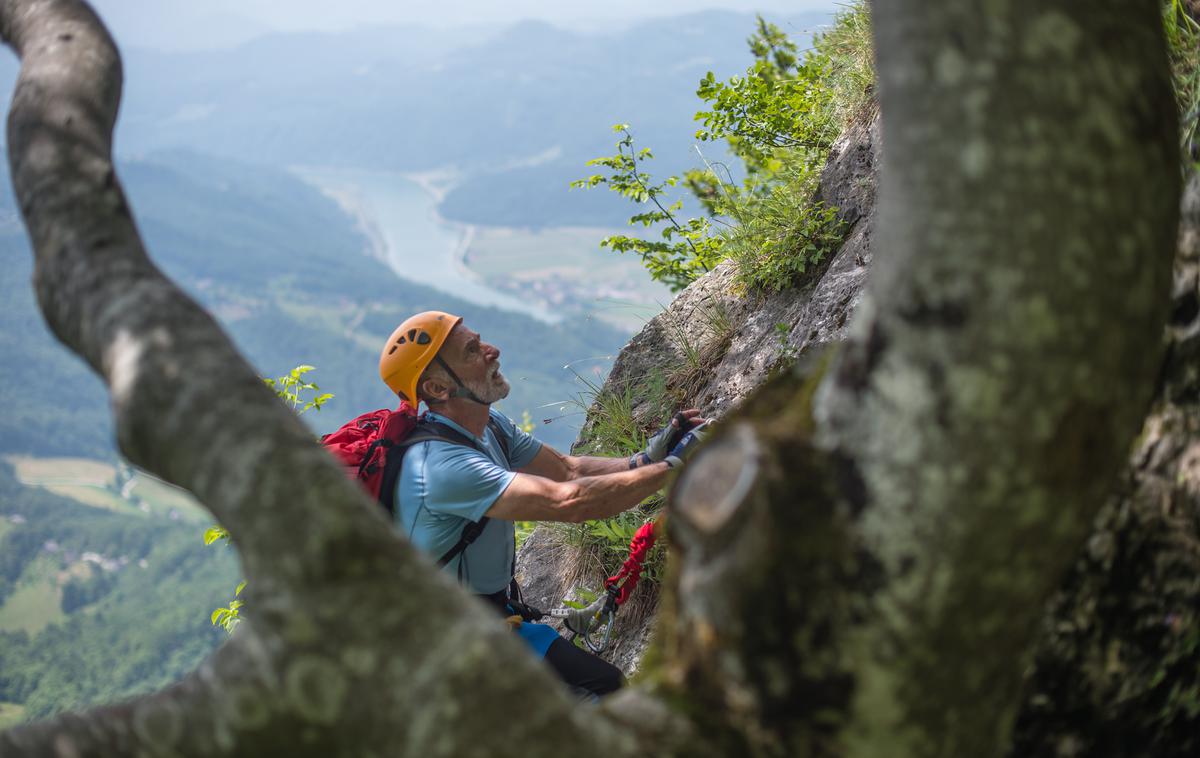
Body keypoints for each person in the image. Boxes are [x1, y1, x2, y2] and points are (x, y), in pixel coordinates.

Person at [378, 310, 708, 698]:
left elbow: (568, 470)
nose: (491, 350)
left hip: (488, 619)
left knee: (605, 688)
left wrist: (645, 461)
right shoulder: (442, 466)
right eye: (471, 351)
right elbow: (571, 501)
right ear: (437, 388)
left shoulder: (489, 427)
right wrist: (676, 467)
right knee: (600, 694)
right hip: (451, 645)